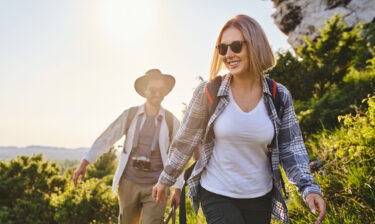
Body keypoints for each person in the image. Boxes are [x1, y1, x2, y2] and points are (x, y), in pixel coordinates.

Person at [152, 15, 326, 224]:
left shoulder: (278, 96)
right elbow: (186, 140)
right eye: (222, 49)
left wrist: (308, 188)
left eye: (236, 46)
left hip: (260, 197)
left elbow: (291, 149)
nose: (228, 55)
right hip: (217, 192)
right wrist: (166, 179)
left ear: (255, 46)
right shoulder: (208, 92)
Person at [73, 69, 183, 224]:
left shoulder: (172, 121)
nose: (158, 94)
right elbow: (107, 138)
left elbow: (178, 156)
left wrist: (177, 188)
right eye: (153, 90)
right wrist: (85, 162)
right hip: (128, 184)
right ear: (145, 92)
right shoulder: (130, 115)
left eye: (161, 91)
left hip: (158, 186)